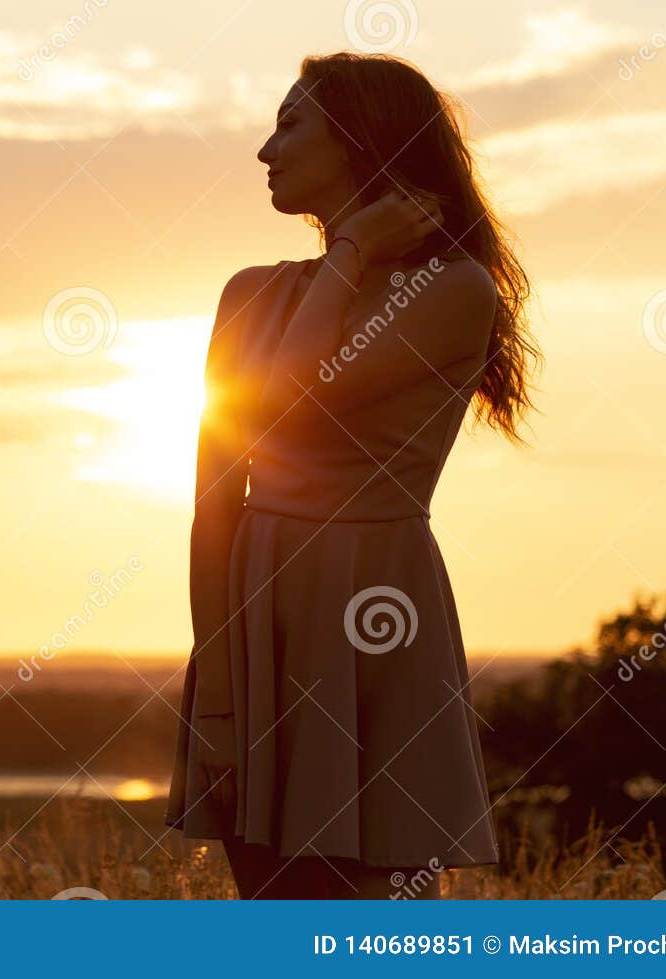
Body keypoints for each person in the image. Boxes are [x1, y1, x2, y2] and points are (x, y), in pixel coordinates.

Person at [164, 52, 541, 899]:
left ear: (360, 139)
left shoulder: (453, 290)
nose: (265, 150)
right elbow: (216, 500)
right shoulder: (247, 294)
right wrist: (218, 698)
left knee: (380, 929)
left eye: (290, 123)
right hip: (253, 617)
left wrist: (354, 250)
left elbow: (294, 402)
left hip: (374, 615)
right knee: (274, 915)